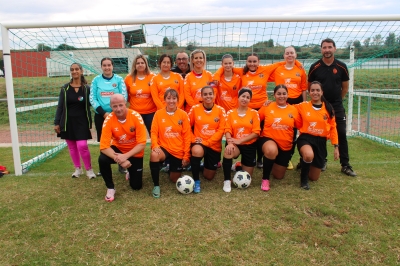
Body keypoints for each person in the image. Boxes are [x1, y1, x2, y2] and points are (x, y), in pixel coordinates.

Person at [214, 53, 302, 168]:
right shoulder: (242, 72)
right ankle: (242, 157)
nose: (252, 64)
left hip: (262, 107)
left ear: (258, 61)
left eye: (254, 61)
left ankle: (260, 159)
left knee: (260, 134)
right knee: (245, 132)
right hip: (248, 108)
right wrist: (216, 77)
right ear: (246, 62)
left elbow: (282, 62)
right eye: (249, 61)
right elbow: (225, 67)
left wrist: (298, 64)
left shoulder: (264, 69)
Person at [308, 38, 356, 176]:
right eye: (324, 47)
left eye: (330, 47)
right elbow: (310, 87)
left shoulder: (341, 66)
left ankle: (345, 164)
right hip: (319, 105)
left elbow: (345, 88)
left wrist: (335, 102)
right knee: (319, 133)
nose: (327, 50)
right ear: (321, 49)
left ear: (334, 48)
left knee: (341, 132)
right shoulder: (315, 67)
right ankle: (321, 160)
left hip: (336, 105)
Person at [98, 94, 147, 202]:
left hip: (134, 152)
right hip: (119, 150)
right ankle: (110, 188)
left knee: (136, 187)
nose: (118, 109)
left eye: (121, 105)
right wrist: (120, 160)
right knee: (102, 159)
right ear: (111, 106)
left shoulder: (136, 116)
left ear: (125, 104)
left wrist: (125, 157)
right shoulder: (109, 119)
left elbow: (142, 144)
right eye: (115, 106)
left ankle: (130, 171)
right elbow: (104, 147)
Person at [54, 63, 96, 179]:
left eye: (77, 69)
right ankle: (78, 168)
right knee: (72, 147)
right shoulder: (65, 88)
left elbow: (94, 103)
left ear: (81, 71)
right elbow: (60, 107)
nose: (74, 71)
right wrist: (57, 122)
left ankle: (89, 169)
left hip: (82, 122)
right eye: (72, 70)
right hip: (67, 122)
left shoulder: (87, 89)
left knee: (82, 145)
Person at [296, 81, 340, 189]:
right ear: (309, 92)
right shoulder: (303, 106)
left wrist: (336, 146)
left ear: (322, 92)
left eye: (317, 90)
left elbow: (333, 127)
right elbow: (287, 108)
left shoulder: (329, 108)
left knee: (314, 177)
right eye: (312, 90)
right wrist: (270, 103)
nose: (315, 92)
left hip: (321, 141)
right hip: (305, 138)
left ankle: (304, 163)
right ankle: (303, 180)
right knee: (308, 154)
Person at [270, 46, 307, 170]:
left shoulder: (300, 70)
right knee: (278, 128)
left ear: (295, 55)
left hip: (296, 101)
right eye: (287, 53)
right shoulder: (277, 69)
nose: (289, 55)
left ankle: (288, 157)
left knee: (293, 132)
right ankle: (271, 155)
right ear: (284, 56)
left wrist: (304, 104)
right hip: (280, 100)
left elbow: (303, 88)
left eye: (292, 53)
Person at [258, 85, 301, 191]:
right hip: (268, 139)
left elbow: (300, 126)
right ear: (274, 95)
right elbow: (255, 119)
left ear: (287, 95)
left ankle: (271, 162)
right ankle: (265, 179)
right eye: (279, 94)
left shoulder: (293, 110)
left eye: (283, 93)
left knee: (278, 176)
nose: (281, 96)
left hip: (285, 146)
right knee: (272, 150)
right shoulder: (268, 106)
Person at [149, 89, 191, 198]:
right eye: (168, 98)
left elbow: (187, 136)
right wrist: (155, 145)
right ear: (164, 100)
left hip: (178, 150)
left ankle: (169, 167)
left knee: (174, 179)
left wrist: (186, 155)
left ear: (177, 99)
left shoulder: (183, 114)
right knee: (154, 155)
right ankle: (156, 185)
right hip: (164, 147)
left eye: (174, 98)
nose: (171, 101)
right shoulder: (158, 114)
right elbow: (153, 132)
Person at [90, 57, 127, 175]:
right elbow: (92, 98)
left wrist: (115, 111)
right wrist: (103, 113)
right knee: (103, 141)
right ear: (101, 67)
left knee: (120, 139)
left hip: (117, 114)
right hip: (101, 115)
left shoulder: (119, 79)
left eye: (109, 65)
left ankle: (121, 164)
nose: (107, 67)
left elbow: (124, 97)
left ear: (112, 66)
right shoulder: (96, 80)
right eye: (104, 65)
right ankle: (103, 166)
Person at [188, 86, 226, 193]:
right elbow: (187, 127)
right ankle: (196, 181)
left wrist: (207, 142)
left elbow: (221, 131)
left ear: (214, 95)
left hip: (213, 146)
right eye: (205, 94)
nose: (208, 96)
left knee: (209, 176)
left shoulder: (220, 110)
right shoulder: (195, 109)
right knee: (196, 151)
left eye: (210, 94)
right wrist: (194, 139)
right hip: (199, 143)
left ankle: (199, 165)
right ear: (201, 96)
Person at [222, 88, 260, 192]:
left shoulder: (254, 113)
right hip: (235, 144)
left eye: (248, 97)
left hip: (249, 145)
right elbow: (227, 130)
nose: (245, 99)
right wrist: (230, 143)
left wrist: (241, 140)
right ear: (238, 98)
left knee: (248, 175)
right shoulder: (230, 113)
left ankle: (238, 165)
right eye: (243, 96)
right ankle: (227, 181)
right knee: (228, 151)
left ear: (250, 100)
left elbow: (256, 132)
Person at [124, 54, 156, 134]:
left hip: (151, 112)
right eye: (138, 63)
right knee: (134, 136)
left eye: (142, 63)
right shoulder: (129, 78)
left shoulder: (153, 77)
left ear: (146, 64)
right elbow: (125, 95)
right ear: (134, 65)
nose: (140, 65)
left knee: (154, 135)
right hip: (135, 113)